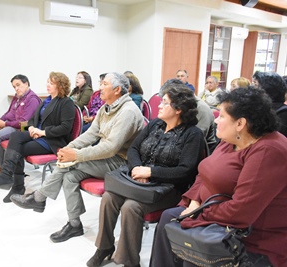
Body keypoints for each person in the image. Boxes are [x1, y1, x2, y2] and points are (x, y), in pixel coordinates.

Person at [150, 88, 287, 267]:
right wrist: (193, 201)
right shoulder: (231, 139)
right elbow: (204, 173)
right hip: (215, 212)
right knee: (168, 218)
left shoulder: (269, 151)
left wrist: (198, 213)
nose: (216, 119)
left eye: (221, 116)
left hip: (251, 236)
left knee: (192, 250)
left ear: (240, 123)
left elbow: (241, 212)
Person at [10, 72, 145, 243]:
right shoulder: (107, 107)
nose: (99, 88)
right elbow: (90, 134)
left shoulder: (128, 111)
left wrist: (76, 155)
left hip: (122, 162)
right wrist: (68, 148)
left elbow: (111, 148)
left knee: (69, 164)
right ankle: (74, 224)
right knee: (70, 176)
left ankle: (40, 197)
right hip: (107, 157)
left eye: (104, 84)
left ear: (117, 90)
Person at [87, 85, 205, 267]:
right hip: (139, 181)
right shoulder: (155, 124)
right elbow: (134, 148)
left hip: (169, 188)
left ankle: (129, 261)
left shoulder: (192, 134)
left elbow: (186, 170)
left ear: (179, 109)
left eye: (164, 103)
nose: (158, 105)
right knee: (109, 197)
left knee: (131, 207)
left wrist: (151, 172)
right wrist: (137, 169)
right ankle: (105, 247)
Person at [0, 72, 75, 203]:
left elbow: (65, 128)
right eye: (47, 82)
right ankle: (7, 176)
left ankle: (16, 185)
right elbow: (33, 119)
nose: (47, 85)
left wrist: (42, 132)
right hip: (37, 134)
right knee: (15, 137)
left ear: (60, 85)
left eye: (51, 83)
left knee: (17, 148)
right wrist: (32, 128)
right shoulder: (47, 100)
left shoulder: (66, 102)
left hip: (51, 140)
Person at [160, 79, 217, 154]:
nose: (161, 105)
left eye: (166, 102)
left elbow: (195, 140)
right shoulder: (179, 106)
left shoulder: (202, 109)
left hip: (199, 151)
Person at [251, 72, 287, 137]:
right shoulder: (259, 108)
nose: (251, 88)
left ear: (267, 88)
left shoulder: (283, 113)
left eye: (255, 85)